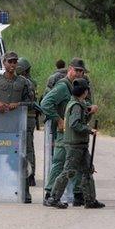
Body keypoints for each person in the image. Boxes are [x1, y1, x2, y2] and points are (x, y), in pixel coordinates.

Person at [40, 58, 98, 206]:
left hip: (77, 134)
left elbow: (84, 104)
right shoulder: (62, 87)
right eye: (77, 70)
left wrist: (89, 108)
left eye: (82, 71)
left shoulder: (80, 86)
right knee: (60, 163)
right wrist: (58, 120)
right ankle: (50, 195)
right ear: (70, 69)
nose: (79, 73)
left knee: (82, 165)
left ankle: (81, 195)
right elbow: (45, 104)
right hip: (64, 134)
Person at [0, 51, 33, 203]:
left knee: (21, 159)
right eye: (10, 62)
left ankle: (25, 193)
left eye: (14, 62)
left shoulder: (24, 82)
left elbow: (31, 103)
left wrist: (18, 105)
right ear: (4, 63)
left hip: (17, 128)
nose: (12, 64)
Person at [15, 57, 38, 188]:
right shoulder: (31, 82)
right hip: (28, 117)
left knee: (27, 148)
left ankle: (29, 175)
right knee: (28, 147)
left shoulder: (26, 83)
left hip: (26, 117)